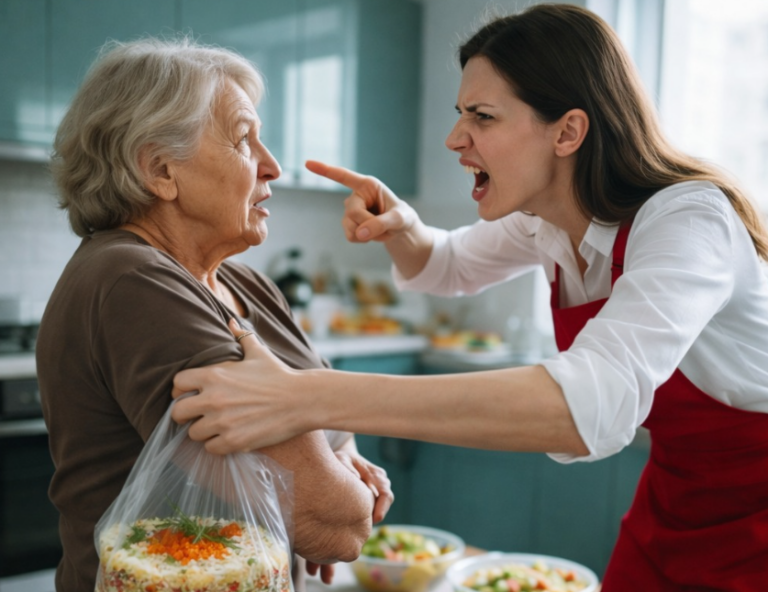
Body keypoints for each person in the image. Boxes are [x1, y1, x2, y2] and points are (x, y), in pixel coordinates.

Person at [170, 4, 768, 591]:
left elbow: (585, 407)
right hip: (675, 502)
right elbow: (444, 263)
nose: (455, 138)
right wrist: (402, 227)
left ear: (568, 132)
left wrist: (308, 398)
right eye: (461, 113)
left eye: (482, 117)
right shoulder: (549, 221)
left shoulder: (690, 220)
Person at [36, 37, 393, 592]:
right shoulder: (135, 282)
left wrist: (337, 468)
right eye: (245, 139)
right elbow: (333, 524)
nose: (272, 166)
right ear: (159, 169)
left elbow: (332, 448)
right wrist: (338, 494)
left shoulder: (246, 283)